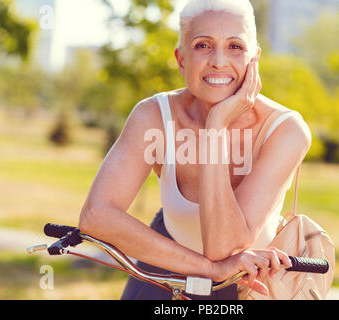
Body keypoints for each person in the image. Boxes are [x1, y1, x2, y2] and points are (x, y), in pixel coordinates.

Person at [78, 0, 312, 300]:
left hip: (245, 285)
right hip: (164, 267)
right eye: (203, 45)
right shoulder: (154, 115)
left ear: (254, 59)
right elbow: (97, 215)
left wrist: (216, 125)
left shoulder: (286, 130)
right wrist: (209, 269)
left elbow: (224, 247)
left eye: (235, 47)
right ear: (181, 59)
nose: (218, 61)